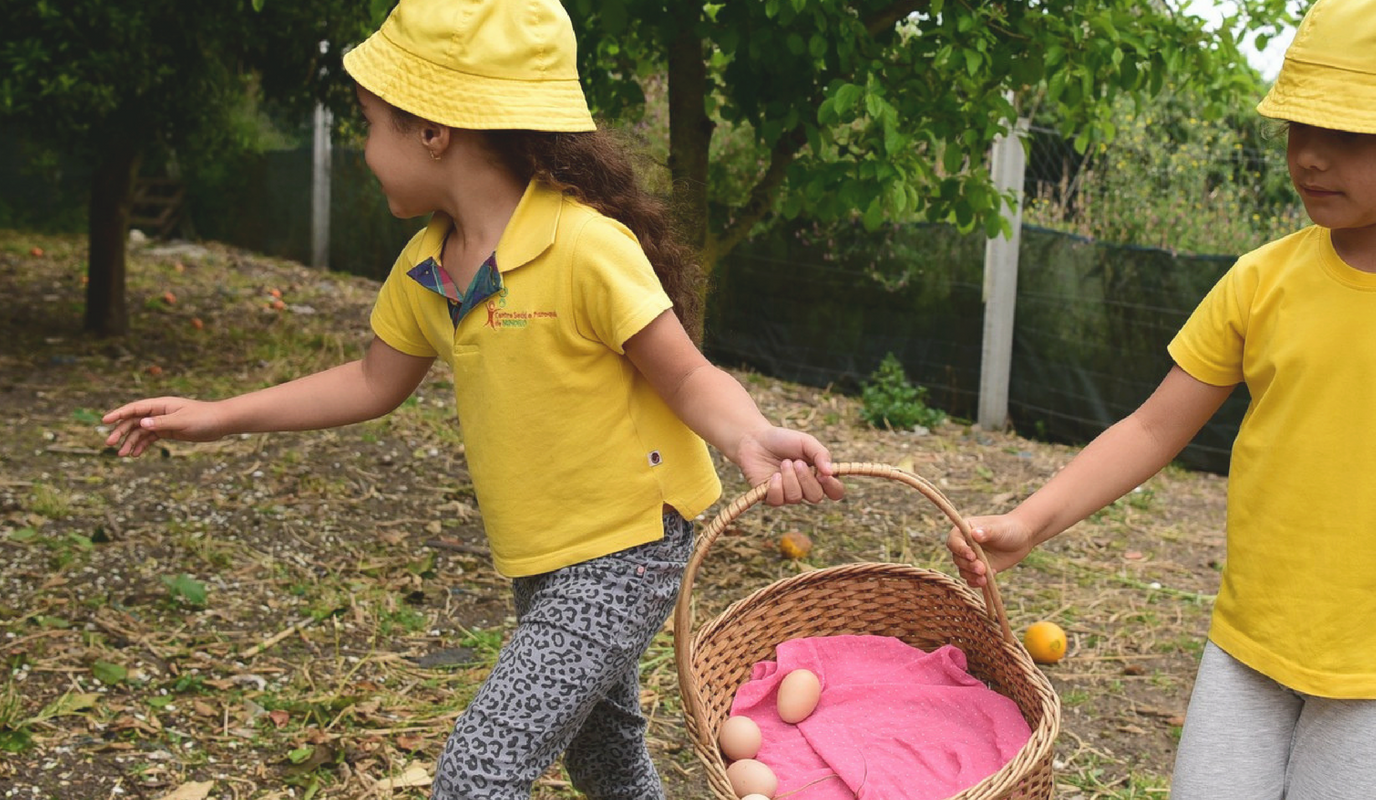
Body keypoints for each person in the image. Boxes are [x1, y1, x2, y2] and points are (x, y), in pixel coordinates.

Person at [102, 1, 845, 797]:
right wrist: (218, 416)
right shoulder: (429, 265)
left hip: (628, 547)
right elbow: (371, 380)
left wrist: (748, 435)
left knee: (475, 774)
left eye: (369, 125)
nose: (364, 150)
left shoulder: (584, 246)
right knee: (604, 758)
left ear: (433, 130)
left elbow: (688, 375)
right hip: (543, 555)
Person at [949, 0, 1376, 797]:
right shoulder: (1262, 279)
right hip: (1248, 647)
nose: (1309, 155)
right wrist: (1030, 522)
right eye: (1298, 126)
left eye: (1348, 134)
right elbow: (1152, 428)